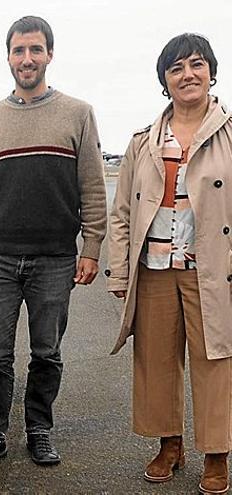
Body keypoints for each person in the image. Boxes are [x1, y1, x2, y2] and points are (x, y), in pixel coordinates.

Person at [0, 15, 107, 468]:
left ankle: (40, 429)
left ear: (49, 55)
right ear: (8, 57)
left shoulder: (77, 114)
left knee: (47, 352)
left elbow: (93, 187)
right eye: (19, 51)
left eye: (35, 50)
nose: (27, 59)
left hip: (56, 259)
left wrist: (92, 248)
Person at [106, 33, 232, 495]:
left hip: (212, 270)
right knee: (156, 360)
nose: (187, 75)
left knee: (215, 361)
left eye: (196, 64)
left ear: (211, 72)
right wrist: (120, 271)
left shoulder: (230, 133)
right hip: (155, 268)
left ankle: (217, 454)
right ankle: (170, 445)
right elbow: (122, 212)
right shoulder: (143, 142)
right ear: (165, 80)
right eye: (176, 68)